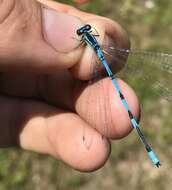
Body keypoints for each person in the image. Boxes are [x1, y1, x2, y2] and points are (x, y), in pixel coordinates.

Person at [0, 0, 140, 172]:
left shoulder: (84, 41)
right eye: (84, 31)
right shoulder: (90, 40)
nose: (84, 31)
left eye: (84, 31)